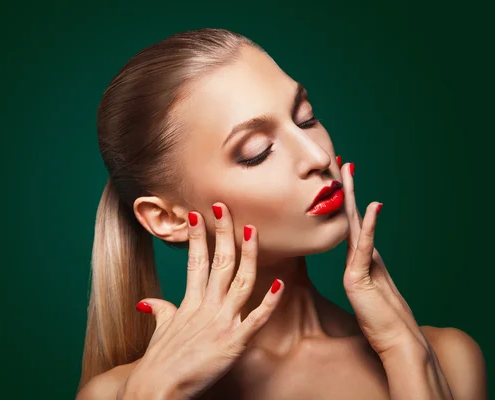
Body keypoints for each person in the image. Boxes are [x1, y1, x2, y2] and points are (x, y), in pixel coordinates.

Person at [76, 28, 487, 399]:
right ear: (170, 218)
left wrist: (405, 353)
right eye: (257, 152)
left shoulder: (447, 359)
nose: (317, 155)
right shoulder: (117, 395)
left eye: (306, 119)